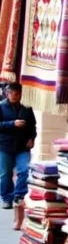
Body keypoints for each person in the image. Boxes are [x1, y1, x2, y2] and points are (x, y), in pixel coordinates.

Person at [0, 82, 36, 210]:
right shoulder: (1, 107)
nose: (13, 96)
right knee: (5, 173)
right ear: (6, 93)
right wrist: (12, 124)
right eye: (10, 93)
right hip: (4, 146)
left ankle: (19, 196)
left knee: (25, 170)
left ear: (20, 94)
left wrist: (32, 138)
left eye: (16, 93)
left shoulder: (26, 107)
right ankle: (7, 198)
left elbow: (33, 126)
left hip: (23, 146)